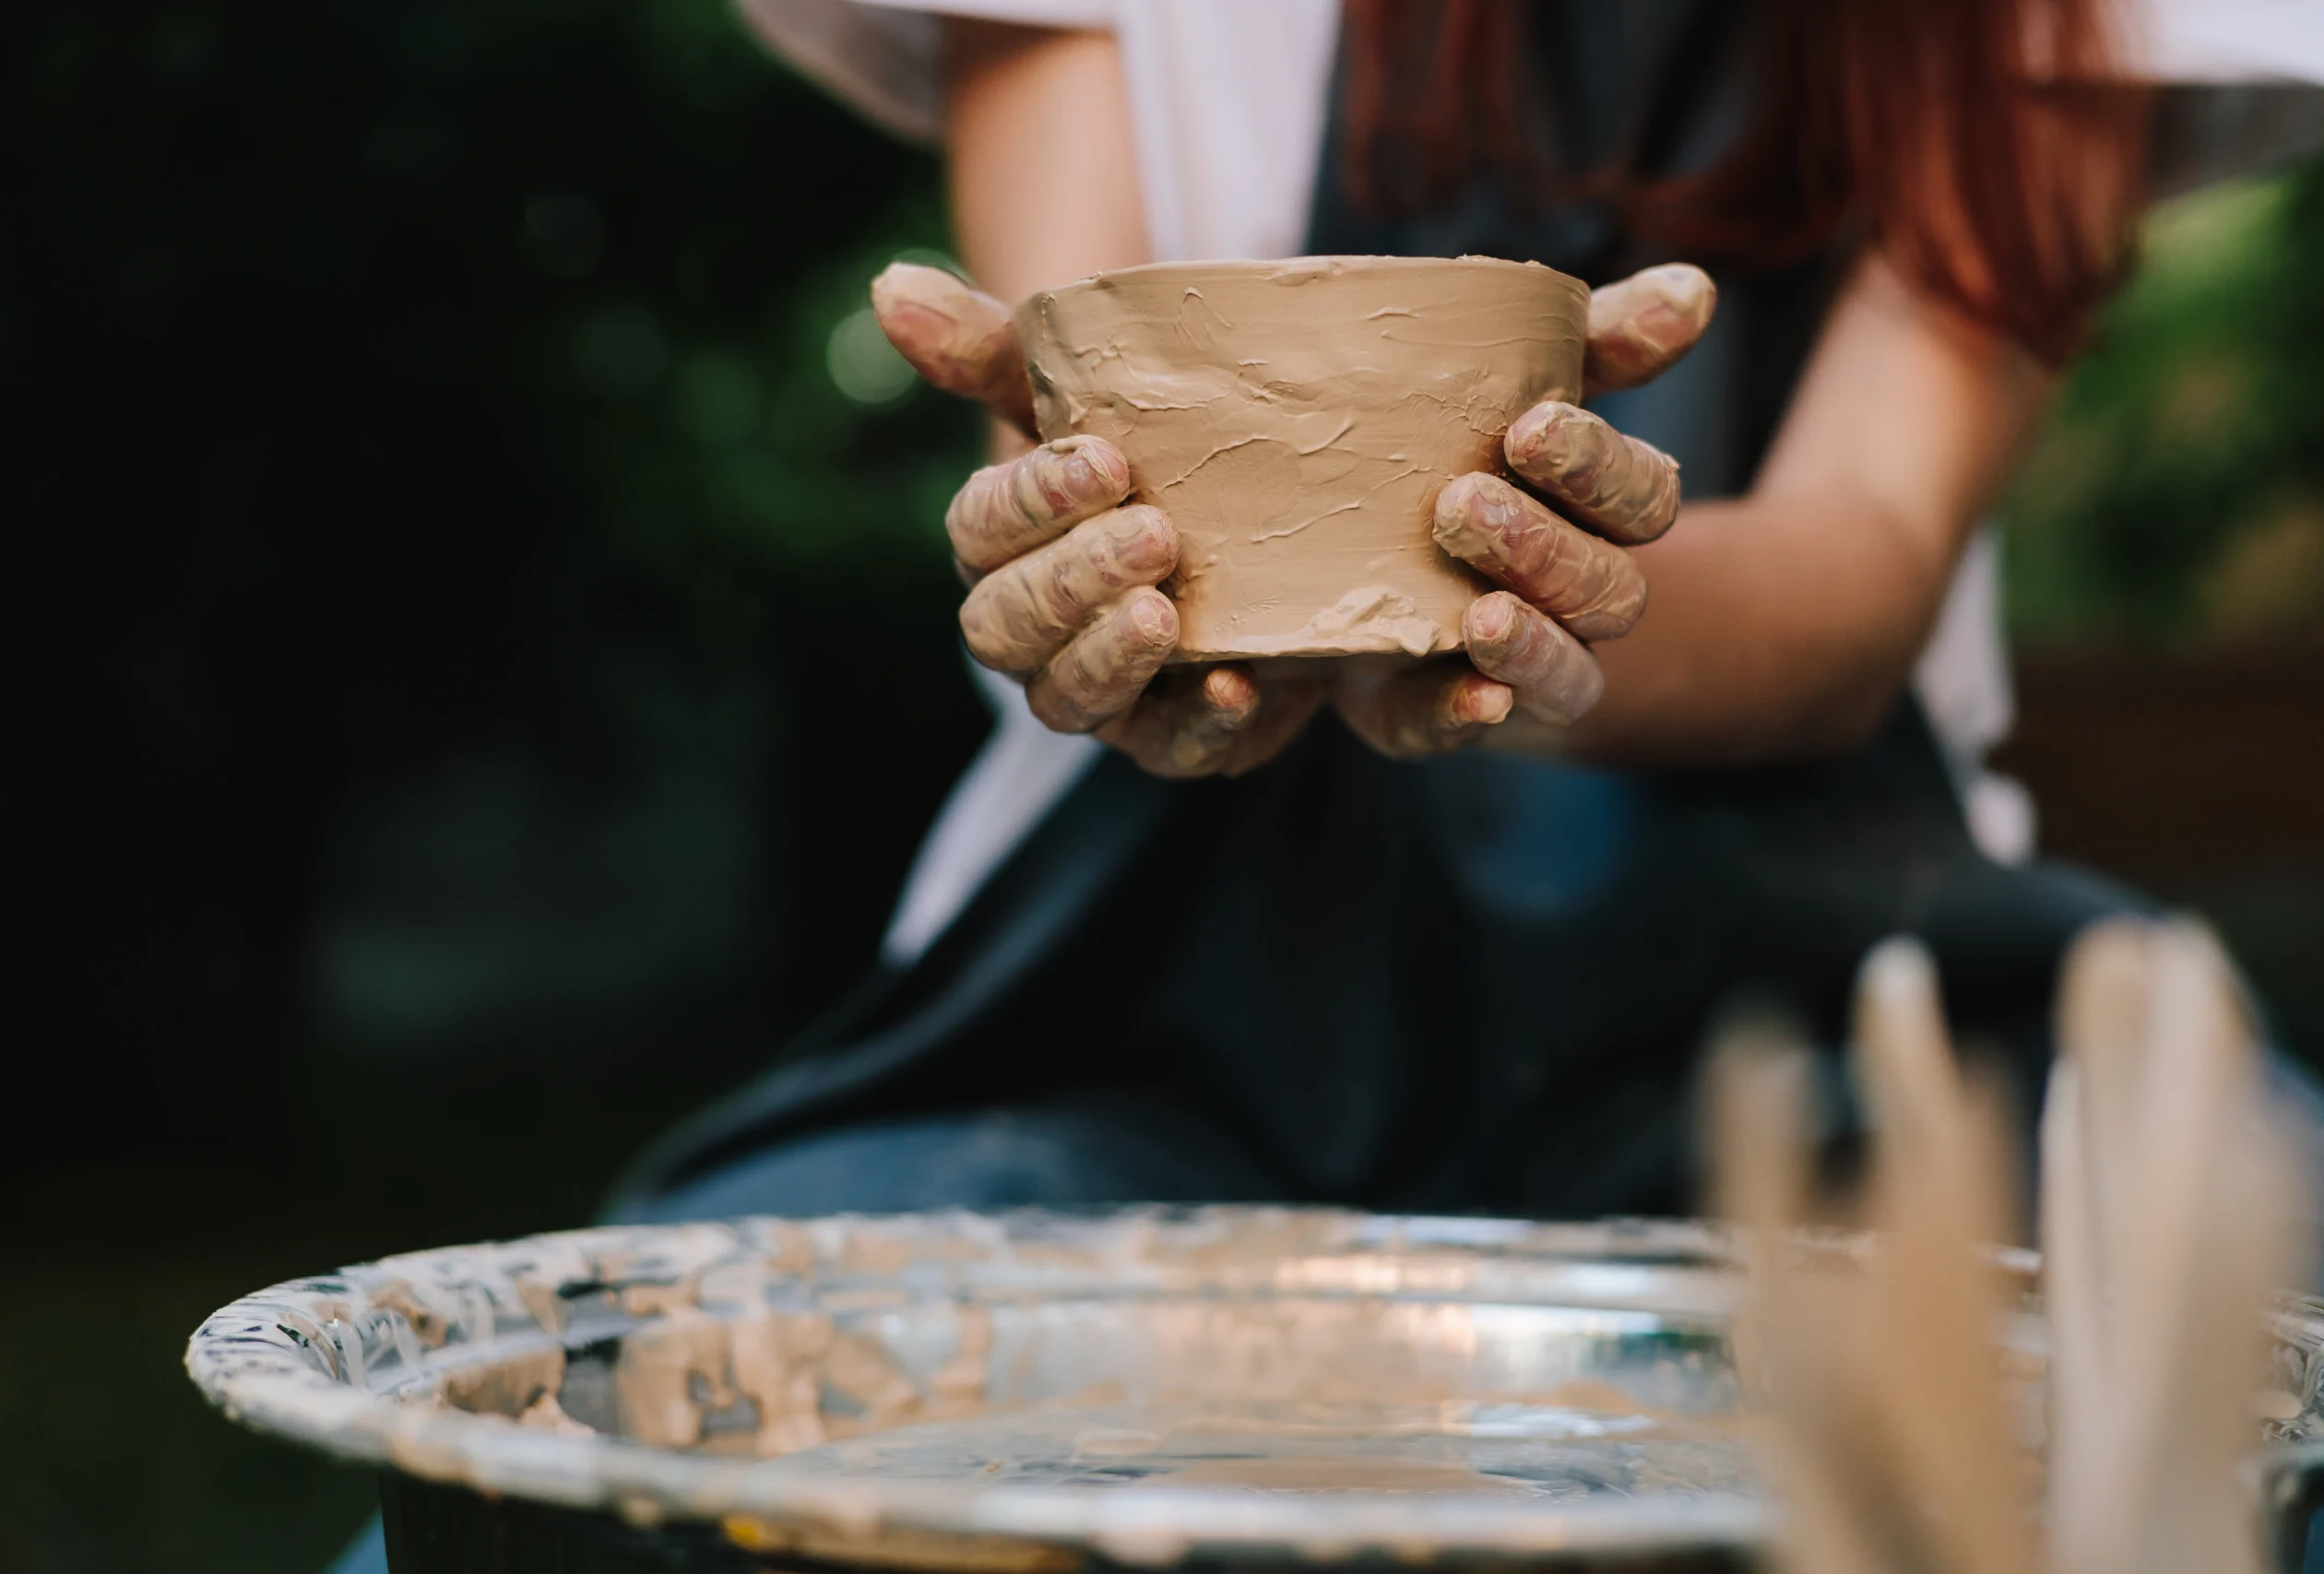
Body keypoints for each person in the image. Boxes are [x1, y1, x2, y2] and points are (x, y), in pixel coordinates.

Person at [325, 6, 2324, 1564]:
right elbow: (1077, 375)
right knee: (623, 1442)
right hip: (1130, 976)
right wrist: (1105, 579)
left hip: (1826, 955)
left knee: (2230, 1333)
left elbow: (1866, 554)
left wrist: (1544, 616)